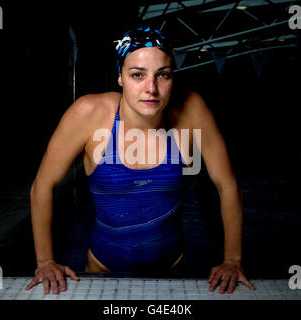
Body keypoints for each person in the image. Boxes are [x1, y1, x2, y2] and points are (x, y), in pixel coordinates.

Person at [25, 26, 255, 295]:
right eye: (137, 75)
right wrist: (45, 261)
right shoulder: (89, 114)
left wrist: (232, 260)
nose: (151, 89)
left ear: (173, 77)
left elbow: (227, 185)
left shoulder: (192, 110)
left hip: (172, 272)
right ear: (120, 77)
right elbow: (42, 186)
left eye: (163, 75)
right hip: (102, 272)